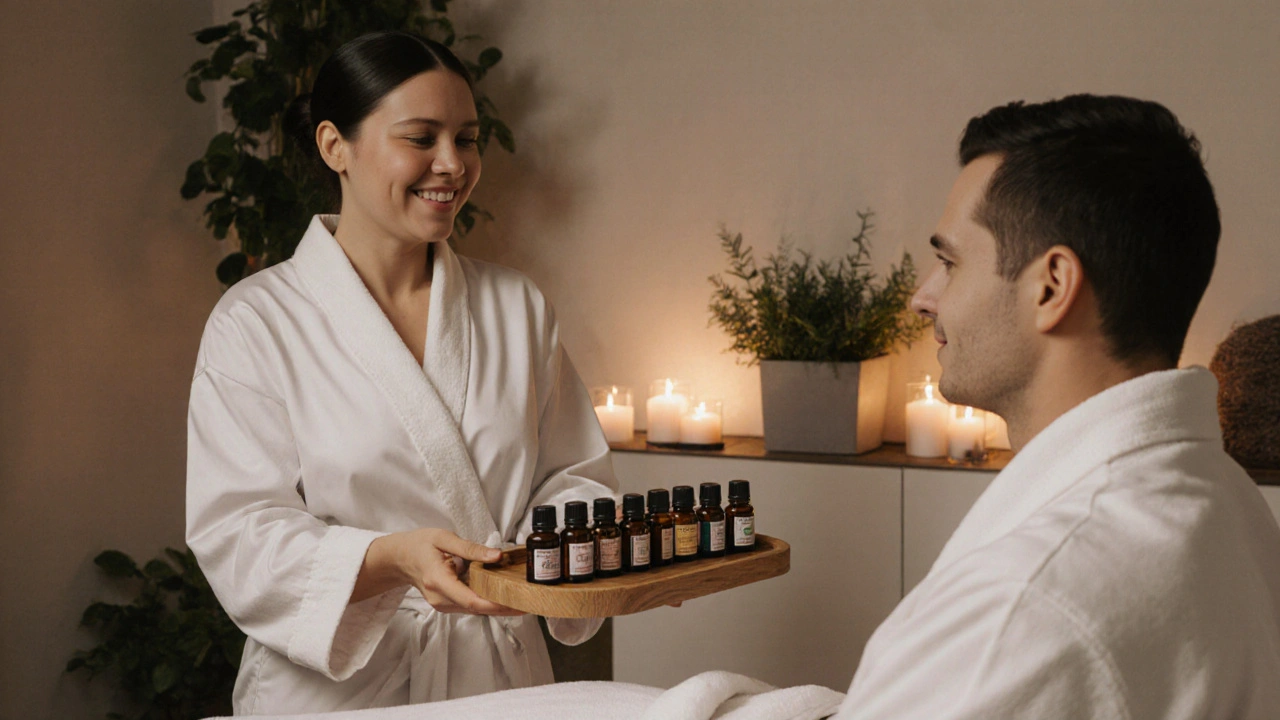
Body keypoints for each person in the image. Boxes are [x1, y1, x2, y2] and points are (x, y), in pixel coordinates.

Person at [186, 32, 617, 714]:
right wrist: (387, 558)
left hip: (499, 681)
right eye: (421, 138)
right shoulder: (256, 323)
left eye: (468, 139)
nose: (452, 164)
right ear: (336, 147)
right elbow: (238, 531)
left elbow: (573, 477)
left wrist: (566, 554)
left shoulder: (516, 307)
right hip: (337, 691)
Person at [837, 95, 1280, 718]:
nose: (923, 297)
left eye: (949, 262)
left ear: (1051, 287)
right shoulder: (1229, 505)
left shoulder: (1027, 605)